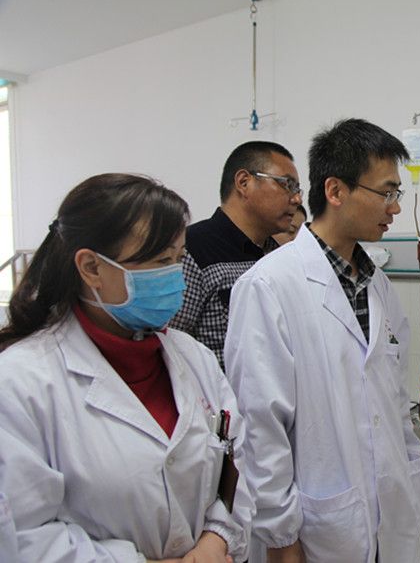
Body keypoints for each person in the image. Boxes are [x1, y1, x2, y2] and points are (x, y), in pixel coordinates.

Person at [0, 174, 253, 562]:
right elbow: (24, 536)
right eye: (159, 262)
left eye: (177, 259)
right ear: (91, 267)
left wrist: (216, 539)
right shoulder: (21, 382)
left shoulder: (194, 358)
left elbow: (237, 467)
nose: (175, 277)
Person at [225, 118, 420, 563]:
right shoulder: (268, 286)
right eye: (386, 192)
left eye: (397, 194)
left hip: (392, 518)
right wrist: (280, 538)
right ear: (335, 191)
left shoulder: (379, 285)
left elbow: (395, 402)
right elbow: (260, 428)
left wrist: (409, 478)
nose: (395, 208)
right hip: (319, 528)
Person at [170, 141, 301, 368]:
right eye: (287, 185)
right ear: (244, 182)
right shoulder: (192, 250)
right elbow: (172, 348)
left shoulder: (280, 256)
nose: (296, 199)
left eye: (297, 190)